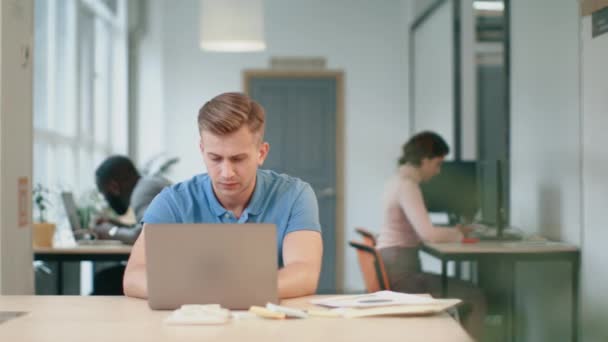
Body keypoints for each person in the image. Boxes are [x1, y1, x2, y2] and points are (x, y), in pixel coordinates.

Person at [123, 92, 323, 300]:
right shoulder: (173, 201)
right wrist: (218, 292)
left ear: (261, 153)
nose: (227, 172)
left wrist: (220, 291)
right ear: (202, 150)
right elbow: (134, 277)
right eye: (215, 158)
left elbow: (305, 273)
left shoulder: (295, 195)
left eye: (238, 159)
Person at [376, 131, 486, 339]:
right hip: (404, 274)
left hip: (394, 265)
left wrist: (454, 232)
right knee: (474, 295)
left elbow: (421, 230)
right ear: (425, 160)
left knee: (463, 291)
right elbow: (429, 234)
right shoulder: (408, 186)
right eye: (437, 164)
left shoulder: (395, 181)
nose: (438, 172)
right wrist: (459, 234)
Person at [91, 155, 171, 295]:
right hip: (171, 265)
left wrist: (111, 231)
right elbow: (146, 228)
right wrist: (115, 223)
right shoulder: (151, 183)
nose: (107, 201)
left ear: (114, 187)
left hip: (167, 272)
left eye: (105, 195)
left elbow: (145, 235)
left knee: (104, 280)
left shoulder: (142, 192)